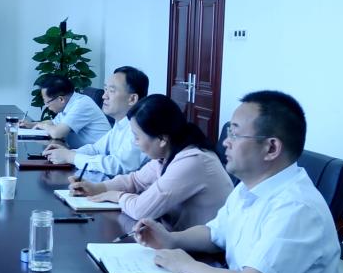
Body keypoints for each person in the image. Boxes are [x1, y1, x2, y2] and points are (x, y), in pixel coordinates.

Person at [135, 91, 343, 273]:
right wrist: (170, 239)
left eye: (235, 134)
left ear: (271, 148)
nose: (225, 142)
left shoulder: (296, 207)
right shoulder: (248, 187)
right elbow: (215, 233)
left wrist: (184, 264)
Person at [69, 94, 232, 231]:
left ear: (162, 139)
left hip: (202, 253)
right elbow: (135, 180)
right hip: (175, 240)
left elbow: (141, 210)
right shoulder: (169, 152)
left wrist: (117, 196)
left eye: (137, 137)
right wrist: (97, 188)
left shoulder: (192, 161)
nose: (135, 143)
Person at [43, 66, 150, 180]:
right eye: (105, 89)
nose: (104, 96)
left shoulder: (140, 128)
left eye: (111, 91)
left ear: (132, 99)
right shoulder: (121, 123)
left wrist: (71, 157)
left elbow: (117, 166)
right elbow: (96, 149)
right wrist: (67, 152)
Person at [29, 74, 110, 148]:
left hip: (98, 155)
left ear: (61, 99)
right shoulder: (68, 104)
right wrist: (30, 125)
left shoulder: (81, 104)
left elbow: (57, 133)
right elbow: (53, 123)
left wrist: (42, 125)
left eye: (47, 102)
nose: (46, 106)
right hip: (83, 152)